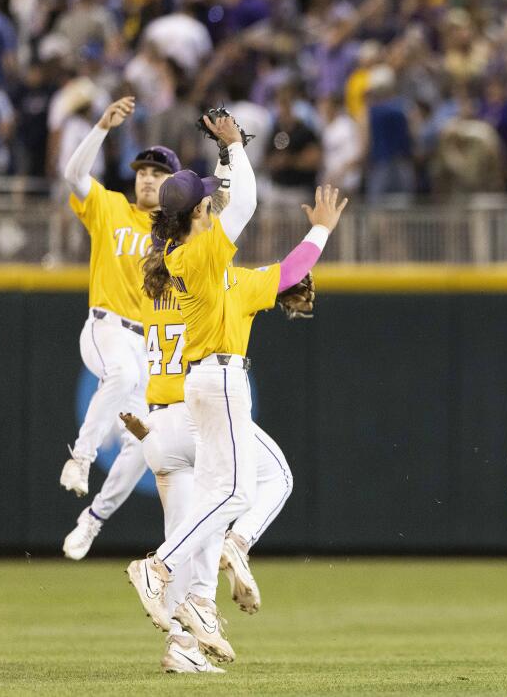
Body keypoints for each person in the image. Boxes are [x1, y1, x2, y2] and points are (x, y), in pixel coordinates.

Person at [124, 111, 345, 654]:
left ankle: (190, 584)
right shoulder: (199, 254)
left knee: (231, 490)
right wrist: (232, 148)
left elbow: (287, 274)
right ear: (198, 212)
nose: (212, 201)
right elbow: (242, 201)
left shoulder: (209, 265)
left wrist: (318, 231)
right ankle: (160, 567)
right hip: (218, 381)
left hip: (204, 383)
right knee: (235, 490)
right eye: (205, 200)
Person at [120, 204, 300, 671]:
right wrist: (281, 289)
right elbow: (253, 279)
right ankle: (236, 546)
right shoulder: (211, 279)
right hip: (194, 412)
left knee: (192, 531)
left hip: (158, 426)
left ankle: (182, 645)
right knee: (265, 480)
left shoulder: (151, 289)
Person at [59, 96, 178, 560]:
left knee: (144, 444)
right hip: (105, 327)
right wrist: (102, 128)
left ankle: (92, 520)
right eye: (143, 171)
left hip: (147, 346)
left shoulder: (179, 234)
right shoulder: (109, 207)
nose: (147, 177)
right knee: (123, 377)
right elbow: (72, 175)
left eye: (158, 173)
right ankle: (81, 457)